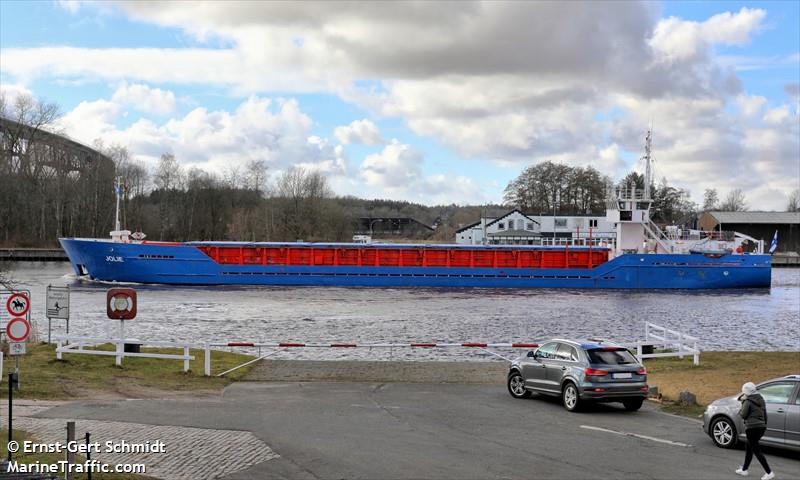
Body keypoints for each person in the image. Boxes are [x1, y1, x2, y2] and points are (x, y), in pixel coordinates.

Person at [736, 382, 774, 480]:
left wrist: (742, 404)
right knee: (749, 448)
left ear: (746, 391)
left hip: (752, 428)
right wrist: (764, 425)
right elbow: (765, 413)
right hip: (761, 427)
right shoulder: (761, 399)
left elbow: (743, 415)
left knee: (756, 451)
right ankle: (744, 470)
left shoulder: (747, 401)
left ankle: (769, 472)